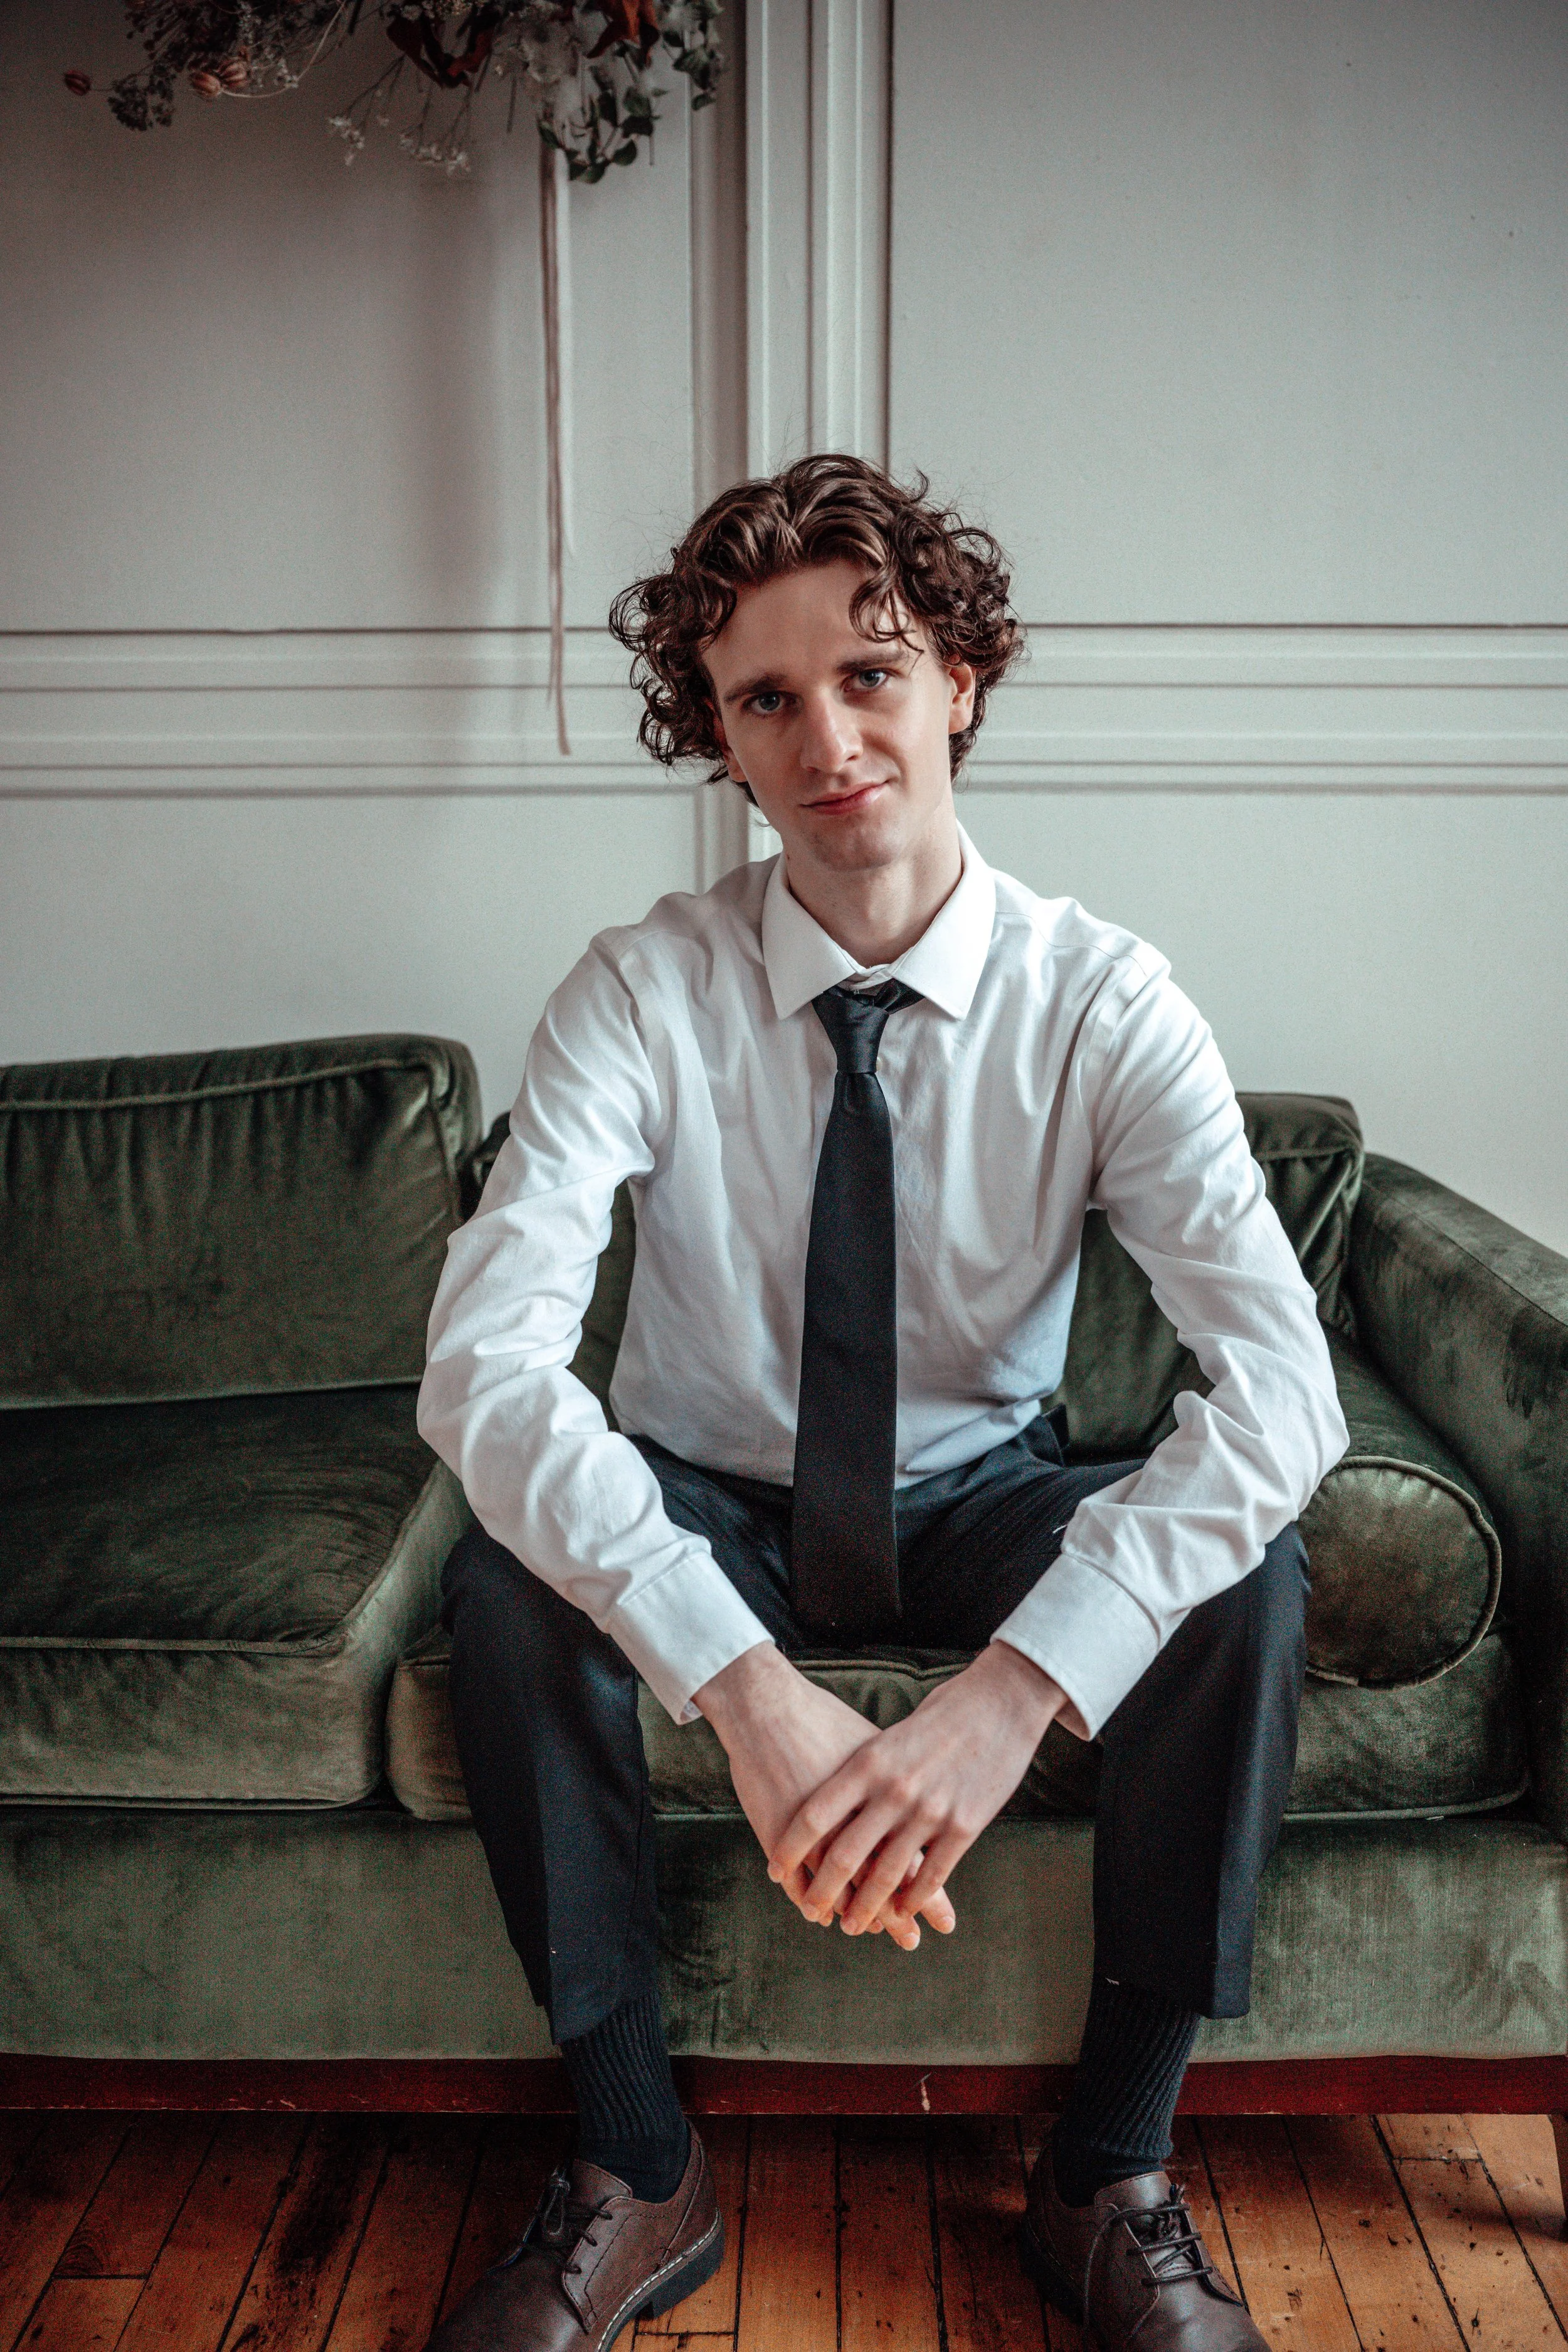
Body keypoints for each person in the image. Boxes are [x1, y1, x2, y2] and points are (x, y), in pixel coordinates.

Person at [416, 454, 1348, 2352]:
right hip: (711, 1499)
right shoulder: (637, 992)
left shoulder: (1106, 1004)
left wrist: (1016, 1695)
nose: (828, 739)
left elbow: (1282, 1391)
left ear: (958, 684)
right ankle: (636, 2164)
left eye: (871, 674)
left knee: (1240, 1583)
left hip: (987, 1491)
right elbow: (486, 1366)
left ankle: (1110, 2173)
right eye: (767, 699)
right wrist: (740, 1685)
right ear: (723, 741)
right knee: (503, 1585)